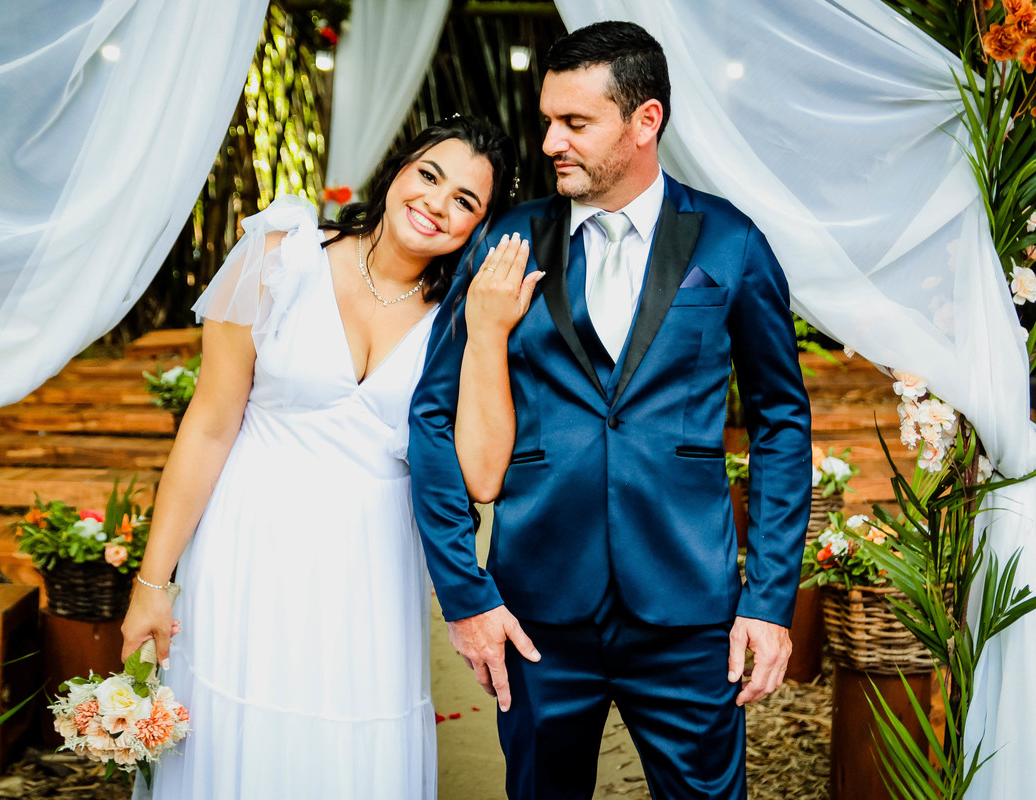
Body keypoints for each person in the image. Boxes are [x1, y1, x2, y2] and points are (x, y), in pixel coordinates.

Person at [409, 22, 812, 800]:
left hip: (689, 608)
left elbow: (782, 424)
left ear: (644, 121)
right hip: (536, 611)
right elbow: (432, 414)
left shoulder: (729, 242)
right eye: (548, 121)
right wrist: (467, 594)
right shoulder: (507, 241)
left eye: (575, 122)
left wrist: (768, 602)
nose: (551, 142)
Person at [119, 115, 517, 799]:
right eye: (428, 175)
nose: (435, 203)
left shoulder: (460, 316)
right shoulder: (281, 255)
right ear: (397, 170)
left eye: (464, 200)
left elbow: (482, 475)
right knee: (236, 733)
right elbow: (208, 426)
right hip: (249, 543)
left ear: (479, 226)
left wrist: (488, 332)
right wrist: (153, 584)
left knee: (347, 750)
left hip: (369, 567)